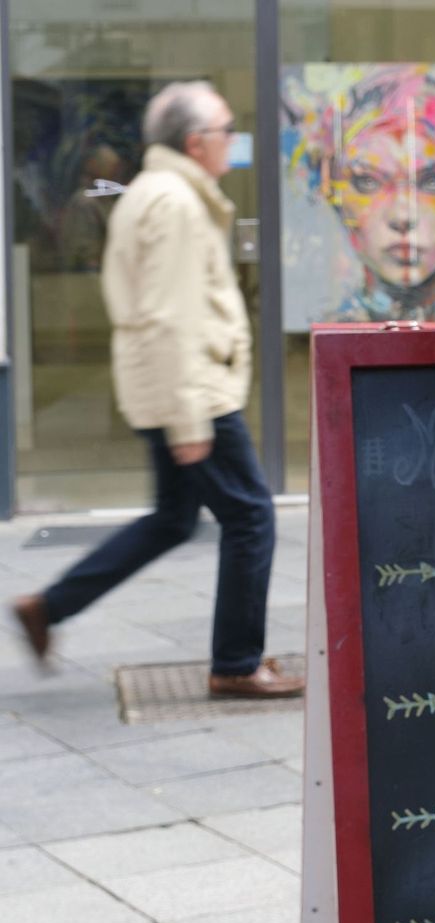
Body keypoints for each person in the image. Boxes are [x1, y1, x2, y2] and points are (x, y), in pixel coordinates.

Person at [11, 81, 304, 699]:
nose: (233, 142)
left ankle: (47, 606)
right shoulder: (173, 203)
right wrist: (191, 421)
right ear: (196, 142)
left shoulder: (163, 193)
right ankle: (235, 664)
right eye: (227, 131)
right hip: (190, 392)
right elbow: (169, 317)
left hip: (169, 388)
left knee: (174, 519)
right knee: (251, 516)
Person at [283, 65, 435, 322]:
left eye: (433, 182)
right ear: (331, 190)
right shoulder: (332, 330)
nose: (403, 215)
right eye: (367, 182)